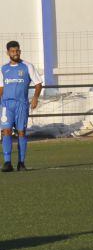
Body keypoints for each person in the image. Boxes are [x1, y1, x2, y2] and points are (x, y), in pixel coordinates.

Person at [0, 41, 43, 172]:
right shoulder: (3, 68)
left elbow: (38, 83)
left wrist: (35, 98)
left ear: (20, 51)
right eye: (13, 51)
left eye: (17, 51)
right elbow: (1, 88)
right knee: (5, 131)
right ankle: (7, 163)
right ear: (8, 53)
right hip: (6, 105)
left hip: (21, 104)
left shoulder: (27, 66)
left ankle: (21, 163)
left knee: (21, 132)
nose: (15, 53)